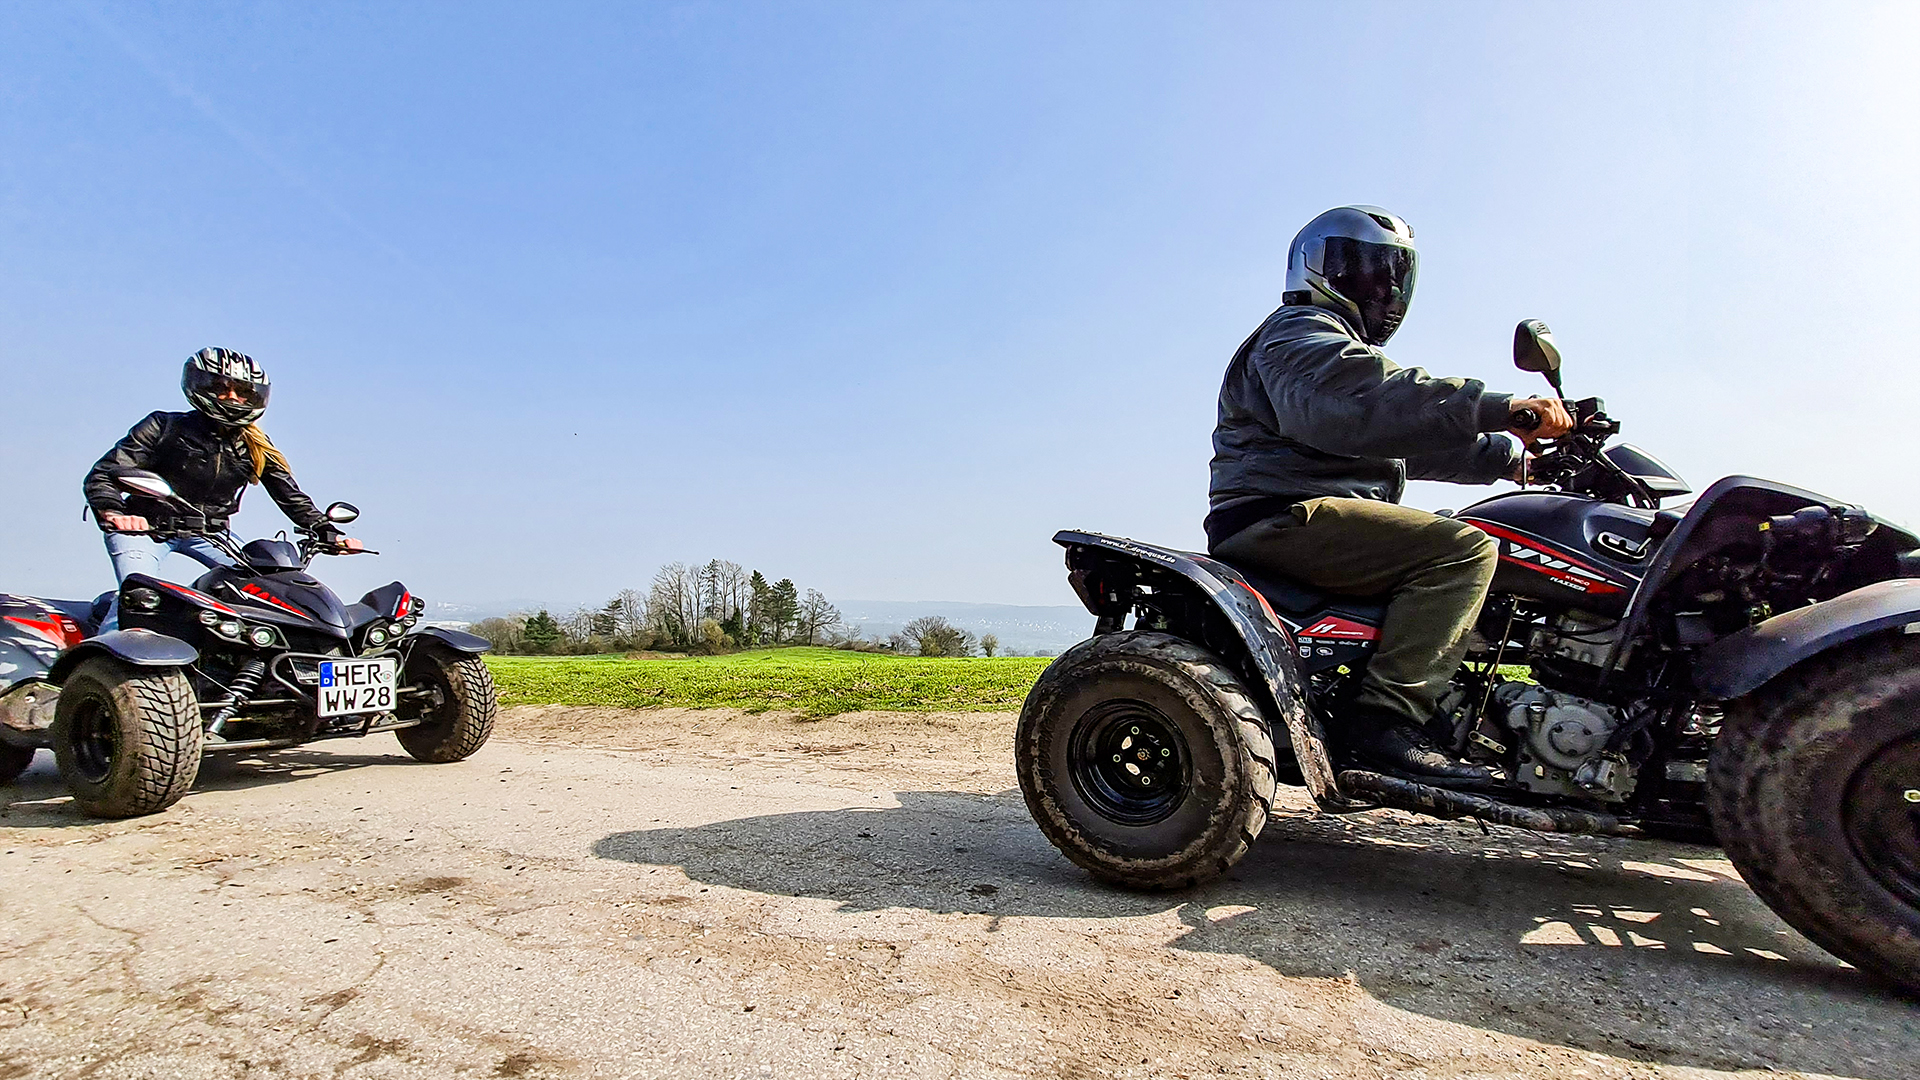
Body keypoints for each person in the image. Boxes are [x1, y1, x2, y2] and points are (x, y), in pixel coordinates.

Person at [1205, 205, 1574, 786]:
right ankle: (1383, 723)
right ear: (1319, 269)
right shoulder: (1299, 336)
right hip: (1280, 514)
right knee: (1464, 550)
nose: (1385, 287)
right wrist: (1498, 407)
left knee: (1490, 535)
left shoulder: (1334, 355)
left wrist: (1518, 463)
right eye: (1366, 270)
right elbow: (1374, 402)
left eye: (1393, 273)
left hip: (1314, 513)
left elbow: (1402, 441)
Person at [85, 348, 363, 630]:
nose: (233, 398)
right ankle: (98, 666)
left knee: (269, 587)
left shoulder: (255, 445)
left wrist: (327, 531)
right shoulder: (163, 426)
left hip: (212, 534)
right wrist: (114, 511)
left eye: (242, 391)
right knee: (137, 601)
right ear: (199, 386)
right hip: (146, 530)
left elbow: (291, 497)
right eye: (221, 388)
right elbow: (104, 474)